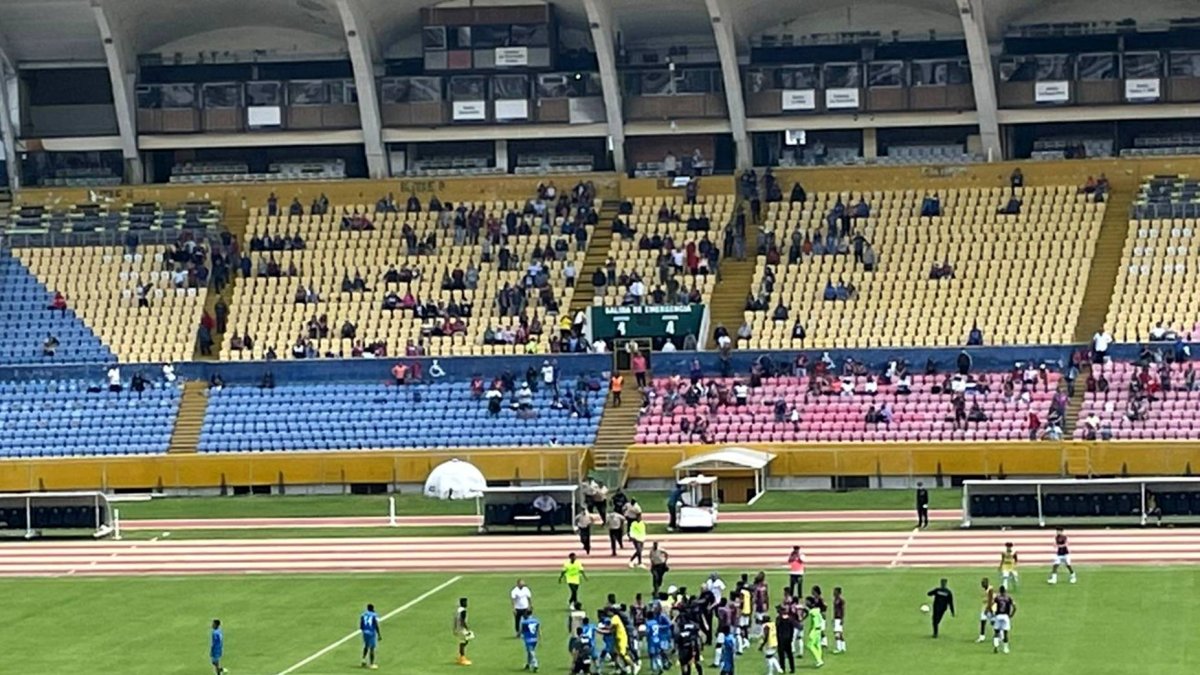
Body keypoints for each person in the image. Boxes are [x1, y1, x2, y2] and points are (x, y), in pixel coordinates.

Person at [990, 587, 1016, 654]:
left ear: (999, 591)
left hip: (998, 616)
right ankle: (1005, 648)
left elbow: (991, 605)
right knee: (1005, 633)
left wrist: (993, 614)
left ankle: (996, 646)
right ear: (1005, 591)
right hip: (1005, 616)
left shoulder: (997, 598)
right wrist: (1011, 614)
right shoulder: (1008, 598)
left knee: (996, 632)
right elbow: (1014, 606)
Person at [804, 597, 824, 668]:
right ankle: (820, 659)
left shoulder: (812, 612)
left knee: (810, 645)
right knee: (818, 645)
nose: (806, 603)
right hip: (819, 629)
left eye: (807, 602)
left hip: (815, 630)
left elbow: (814, 621)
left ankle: (819, 660)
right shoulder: (817, 610)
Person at [360, 603, 381, 669]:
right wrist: (379, 634)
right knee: (372, 648)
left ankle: (363, 659)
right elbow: (376, 624)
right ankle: (371, 664)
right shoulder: (374, 615)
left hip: (365, 632)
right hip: (371, 632)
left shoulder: (363, 614)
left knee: (366, 645)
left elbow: (361, 624)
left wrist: (363, 630)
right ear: (373, 608)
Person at [520, 607, 541, 672]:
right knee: (529, 651)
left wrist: (519, 635)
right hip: (535, 638)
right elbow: (538, 630)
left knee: (531, 652)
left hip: (528, 639)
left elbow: (522, 631)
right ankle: (528, 664)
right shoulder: (536, 620)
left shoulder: (524, 622)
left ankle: (535, 664)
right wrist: (540, 638)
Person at [454, 597, 473, 666]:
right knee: (464, 642)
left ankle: (460, 656)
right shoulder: (463, 611)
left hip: (458, 628)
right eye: (465, 602)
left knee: (463, 642)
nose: (466, 604)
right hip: (461, 629)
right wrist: (467, 629)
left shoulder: (458, 610)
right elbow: (462, 621)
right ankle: (462, 658)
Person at [976, 577, 996, 643]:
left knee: (993, 622)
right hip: (986, 606)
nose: (982, 584)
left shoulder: (990, 589)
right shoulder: (986, 589)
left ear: (987, 583)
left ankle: (998, 635)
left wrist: (988, 609)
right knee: (983, 621)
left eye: (983, 583)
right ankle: (982, 637)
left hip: (990, 607)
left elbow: (991, 600)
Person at [831, 587, 846, 654]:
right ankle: (843, 647)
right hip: (836, 618)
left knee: (837, 634)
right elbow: (835, 610)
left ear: (838, 593)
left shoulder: (841, 600)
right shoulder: (835, 600)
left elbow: (842, 610)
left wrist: (842, 619)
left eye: (835, 591)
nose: (833, 593)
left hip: (839, 618)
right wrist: (833, 618)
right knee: (840, 633)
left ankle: (838, 648)